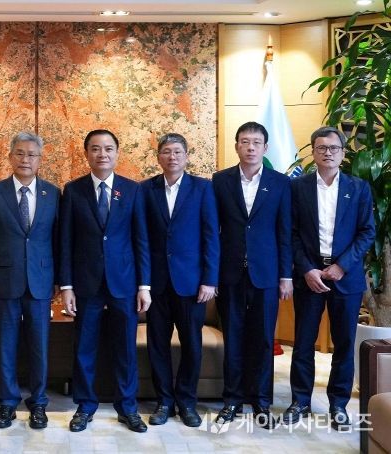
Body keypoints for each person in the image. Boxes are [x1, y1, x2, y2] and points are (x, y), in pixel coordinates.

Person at [59, 129, 150, 433]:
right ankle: (85, 406)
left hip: (124, 283)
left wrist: (144, 286)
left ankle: (128, 407)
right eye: (96, 149)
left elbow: (141, 240)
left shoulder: (132, 190)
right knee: (84, 348)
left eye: (108, 149)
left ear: (117, 153)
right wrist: (67, 286)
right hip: (86, 284)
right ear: (86, 154)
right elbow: (66, 241)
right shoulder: (73, 190)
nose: (102, 154)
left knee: (126, 348)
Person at [283, 126, 374, 429]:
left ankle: (338, 404)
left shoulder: (358, 188)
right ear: (313, 152)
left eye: (334, 148)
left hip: (345, 278)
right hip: (309, 276)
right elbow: (291, 233)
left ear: (343, 153)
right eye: (321, 148)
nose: (328, 153)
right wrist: (306, 268)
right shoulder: (298, 188)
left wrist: (342, 266)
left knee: (344, 343)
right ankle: (300, 401)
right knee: (303, 342)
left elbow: (367, 232)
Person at [212, 121, 292, 429]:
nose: (250, 147)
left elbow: (285, 232)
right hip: (230, 272)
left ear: (265, 148)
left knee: (263, 339)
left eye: (256, 142)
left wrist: (286, 276)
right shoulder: (220, 181)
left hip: (266, 274)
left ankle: (261, 401)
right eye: (244, 141)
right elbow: (213, 232)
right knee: (233, 337)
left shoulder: (280, 183)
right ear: (236, 146)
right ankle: (232, 400)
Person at [0, 131, 60, 429]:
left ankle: (38, 403)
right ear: (10, 157)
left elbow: (58, 240)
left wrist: (60, 280)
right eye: (20, 154)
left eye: (32, 155)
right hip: (5, 281)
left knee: (40, 346)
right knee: (7, 345)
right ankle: (8, 403)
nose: (26, 159)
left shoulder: (53, 194)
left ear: (40, 159)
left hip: (41, 281)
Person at [140, 133, 219, 427]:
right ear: (158, 157)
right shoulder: (145, 189)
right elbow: (142, 240)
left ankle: (186, 402)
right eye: (166, 152)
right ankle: (164, 401)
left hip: (192, 284)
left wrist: (209, 280)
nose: (171, 157)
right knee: (157, 345)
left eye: (177, 152)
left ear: (186, 156)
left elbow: (211, 237)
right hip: (157, 284)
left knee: (192, 345)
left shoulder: (202, 188)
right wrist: (143, 284)